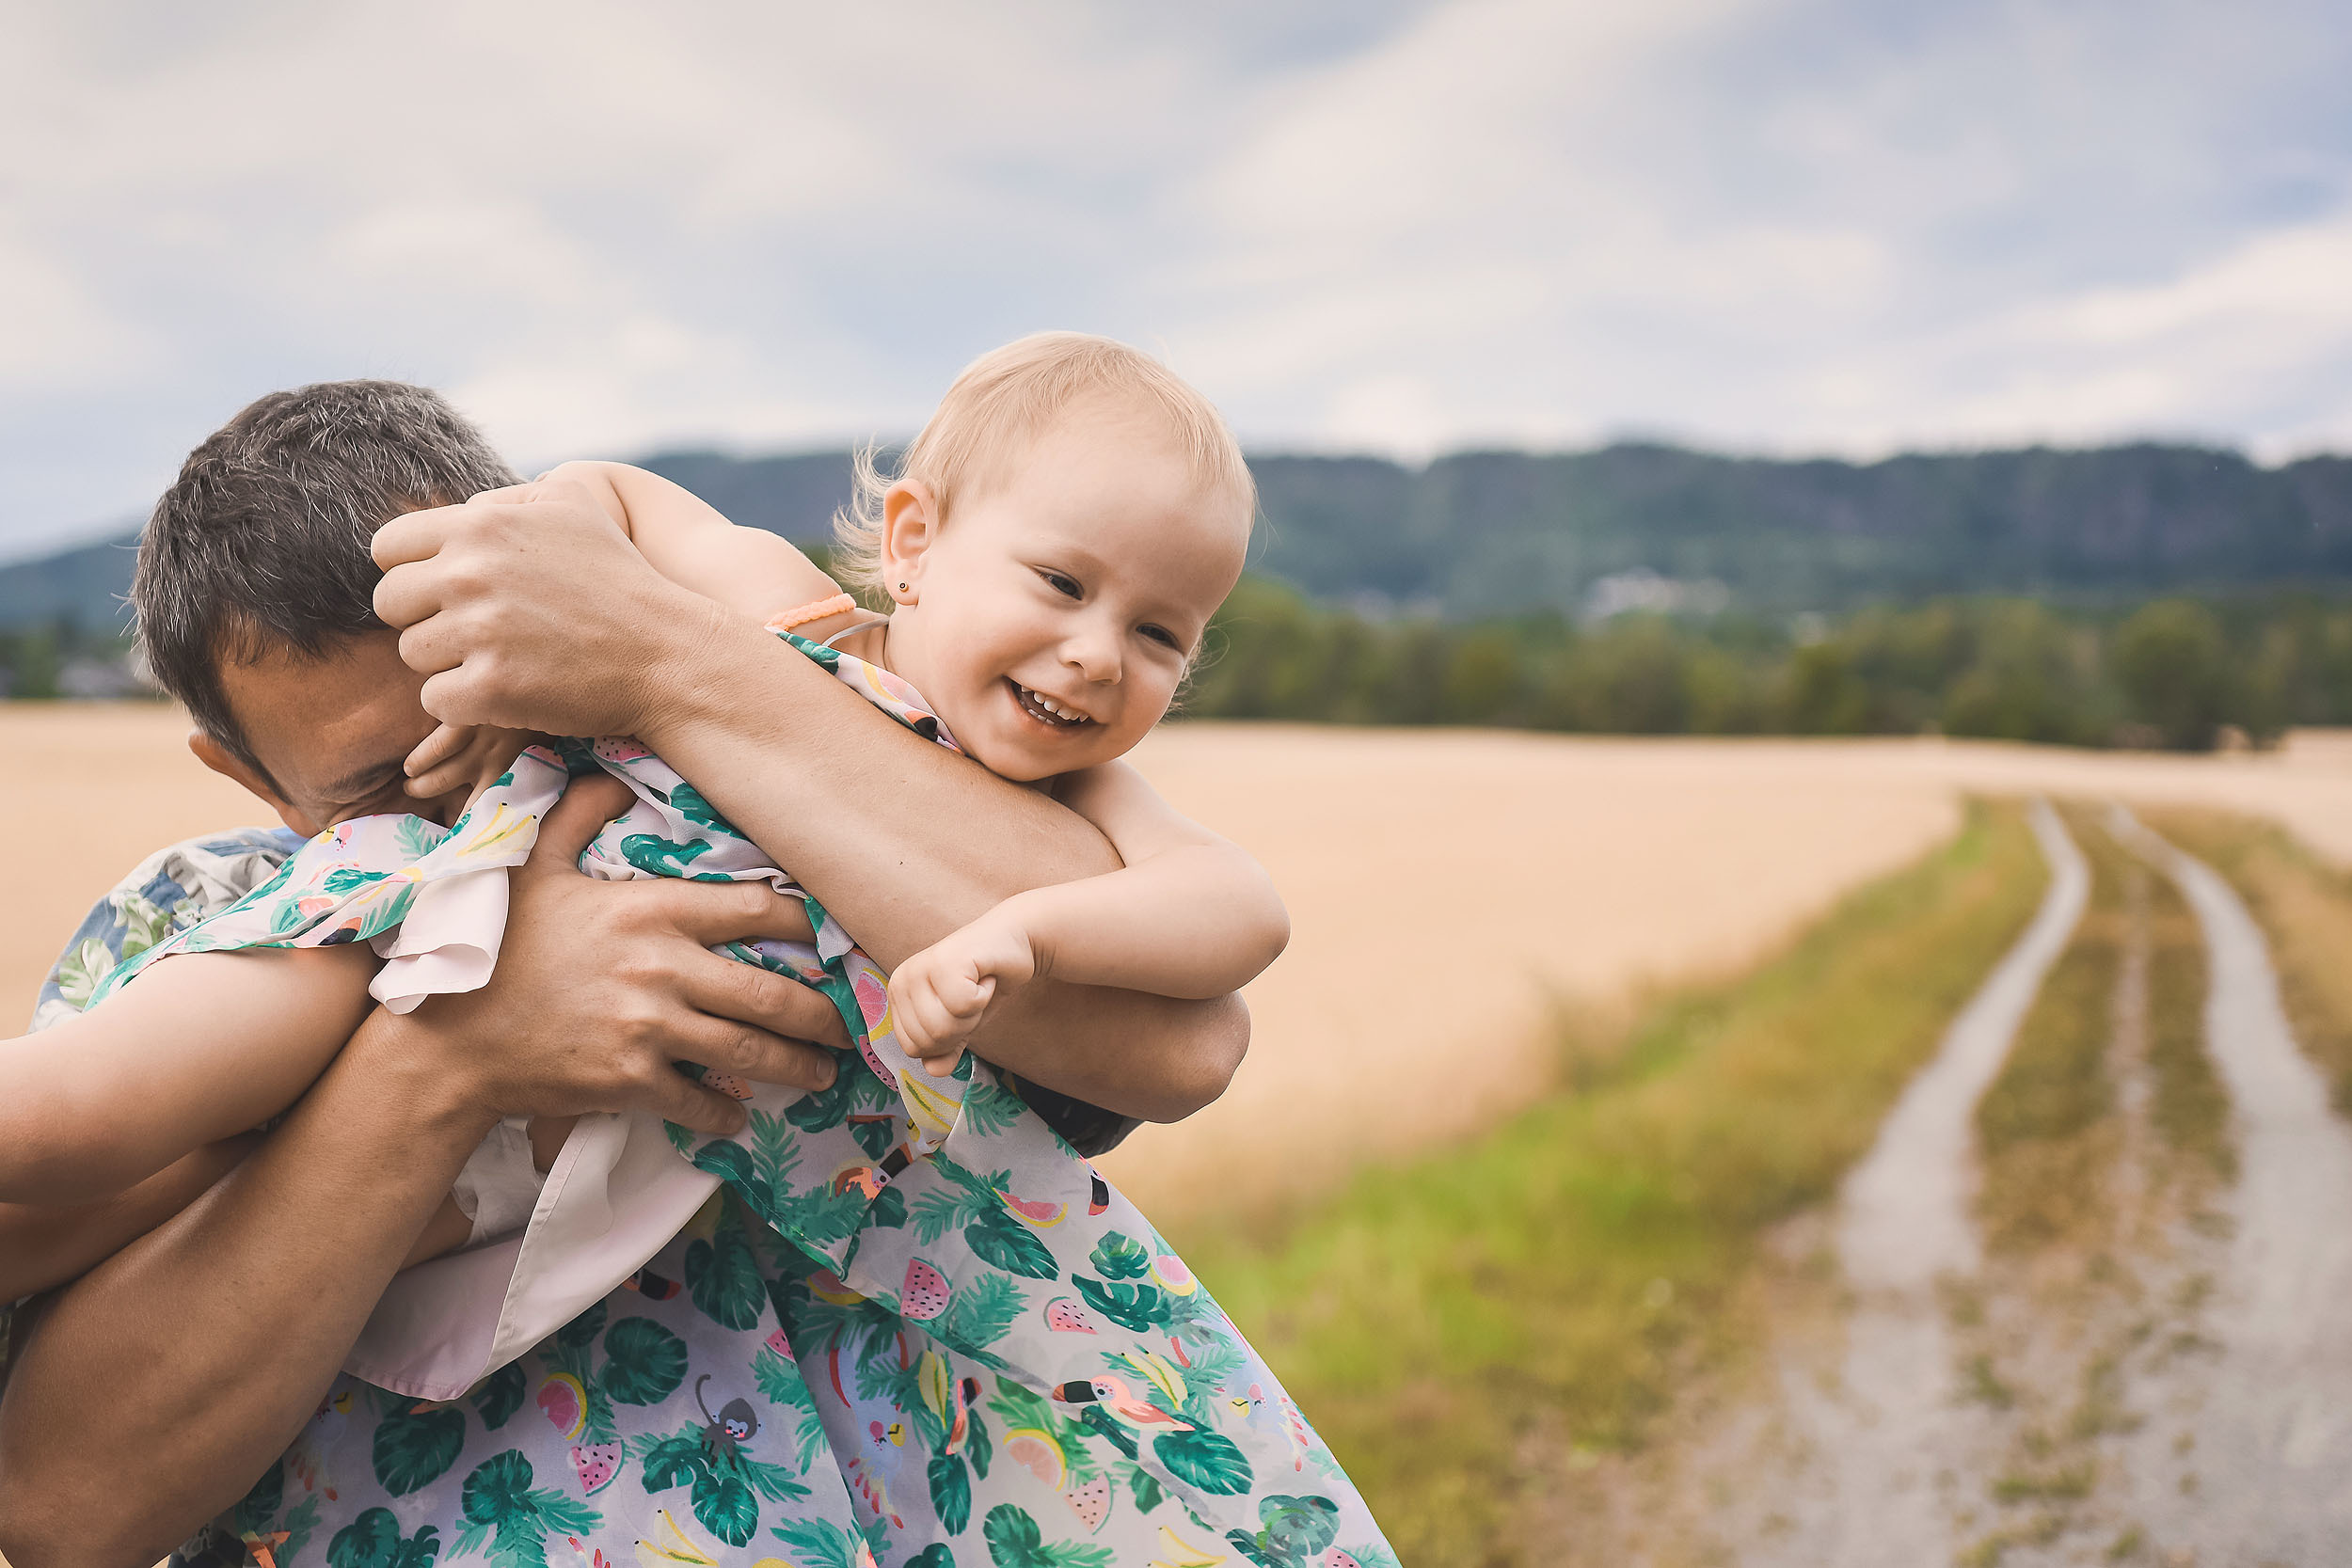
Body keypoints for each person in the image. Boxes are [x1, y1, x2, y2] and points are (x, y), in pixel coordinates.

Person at [0, 379, 1255, 1565]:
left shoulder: (794, 756)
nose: (471, 804)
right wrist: (455, 1047)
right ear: (247, 779)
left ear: (541, 614)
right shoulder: (203, 921)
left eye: (500, 727)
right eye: (384, 788)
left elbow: (1186, 1039)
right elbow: (58, 1512)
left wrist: (659, 659)